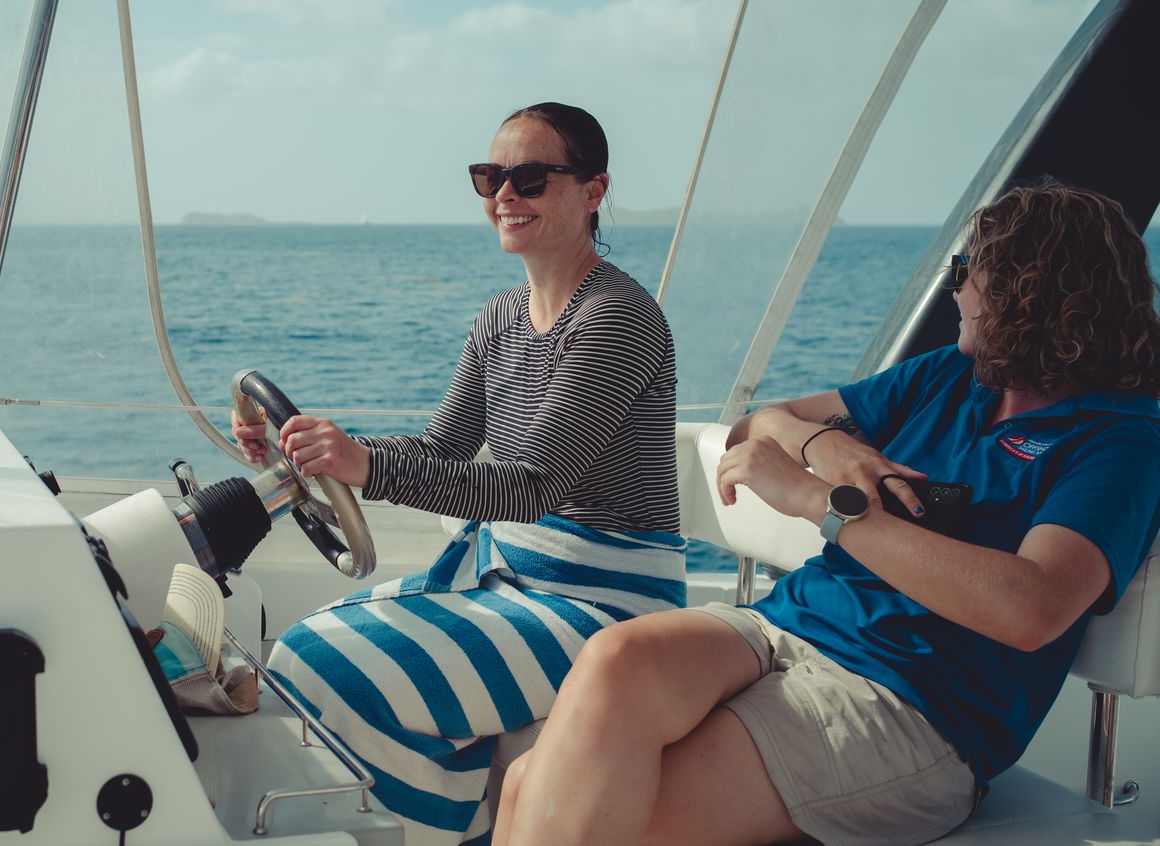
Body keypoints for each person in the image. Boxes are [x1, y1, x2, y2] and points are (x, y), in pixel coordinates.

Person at [492, 181, 1160, 846]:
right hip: (791, 626)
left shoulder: (1119, 440)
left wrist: (824, 505)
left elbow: (1031, 610)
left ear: (1027, 289)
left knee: (584, 804)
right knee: (612, 665)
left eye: (965, 269)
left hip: (913, 703)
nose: (954, 287)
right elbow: (758, 428)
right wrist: (826, 445)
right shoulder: (948, 379)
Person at [232, 102, 684, 845]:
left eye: (531, 177)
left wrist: (366, 467)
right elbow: (442, 449)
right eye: (490, 176)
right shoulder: (499, 316)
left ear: (593, 191)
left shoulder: (617, 318)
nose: (505, 195)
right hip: (508, 577)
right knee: (300, 645)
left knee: (326, 663)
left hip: (606, 601)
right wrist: (309, 451)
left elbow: (530, 485)